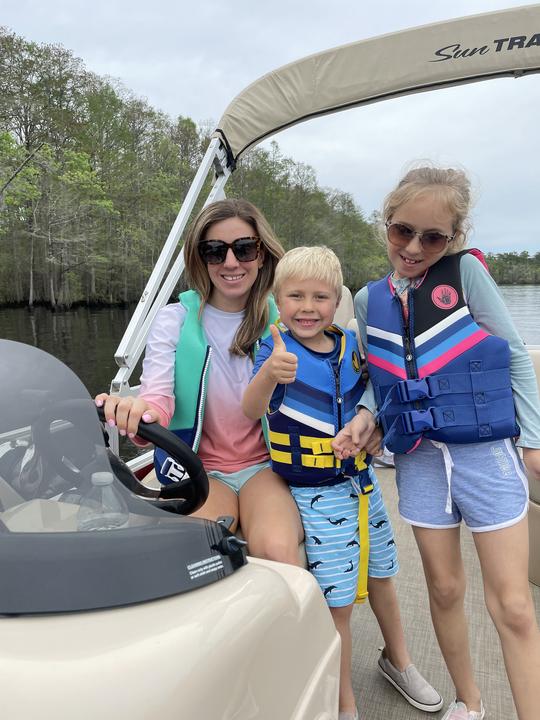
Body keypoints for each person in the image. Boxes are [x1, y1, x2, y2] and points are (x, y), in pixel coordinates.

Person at [335, 165, 540, 720]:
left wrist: (534, 440)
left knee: (515, 605)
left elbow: (515, 356)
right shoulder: (366, 298)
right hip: (420, 463)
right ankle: (469, 703)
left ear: (454, 239)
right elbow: (382, 379)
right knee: (445, 590)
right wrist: (363, 415)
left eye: (433, 237)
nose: (414, 246)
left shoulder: (467, 278)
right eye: (403, 231)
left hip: (486, 457)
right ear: (386, 224)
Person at [243, 246, 442, 720]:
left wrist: (368, 419)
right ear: (277, 298)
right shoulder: (274, 349)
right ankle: (343, 700)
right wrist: (270, 376)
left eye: (320, 297)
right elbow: (252, 410)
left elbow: (375, 385)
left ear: (338, 303)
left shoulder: (350, 345)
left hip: (363, 487)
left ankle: (399, 660)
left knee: (383, 578)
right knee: (338, 605)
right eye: (295, 296)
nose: (307, 308)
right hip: (314, 495)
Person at [95, 198, 303, 564]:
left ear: (262, 253)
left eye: (244, 248)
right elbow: (157, 400)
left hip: (264, 467)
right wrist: (136, 411)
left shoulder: (285, 317)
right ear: (200, 258)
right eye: (214, 251)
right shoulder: (173, 319)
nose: (231, 262)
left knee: (276, 552)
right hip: (202, 470)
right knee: (196, 555)